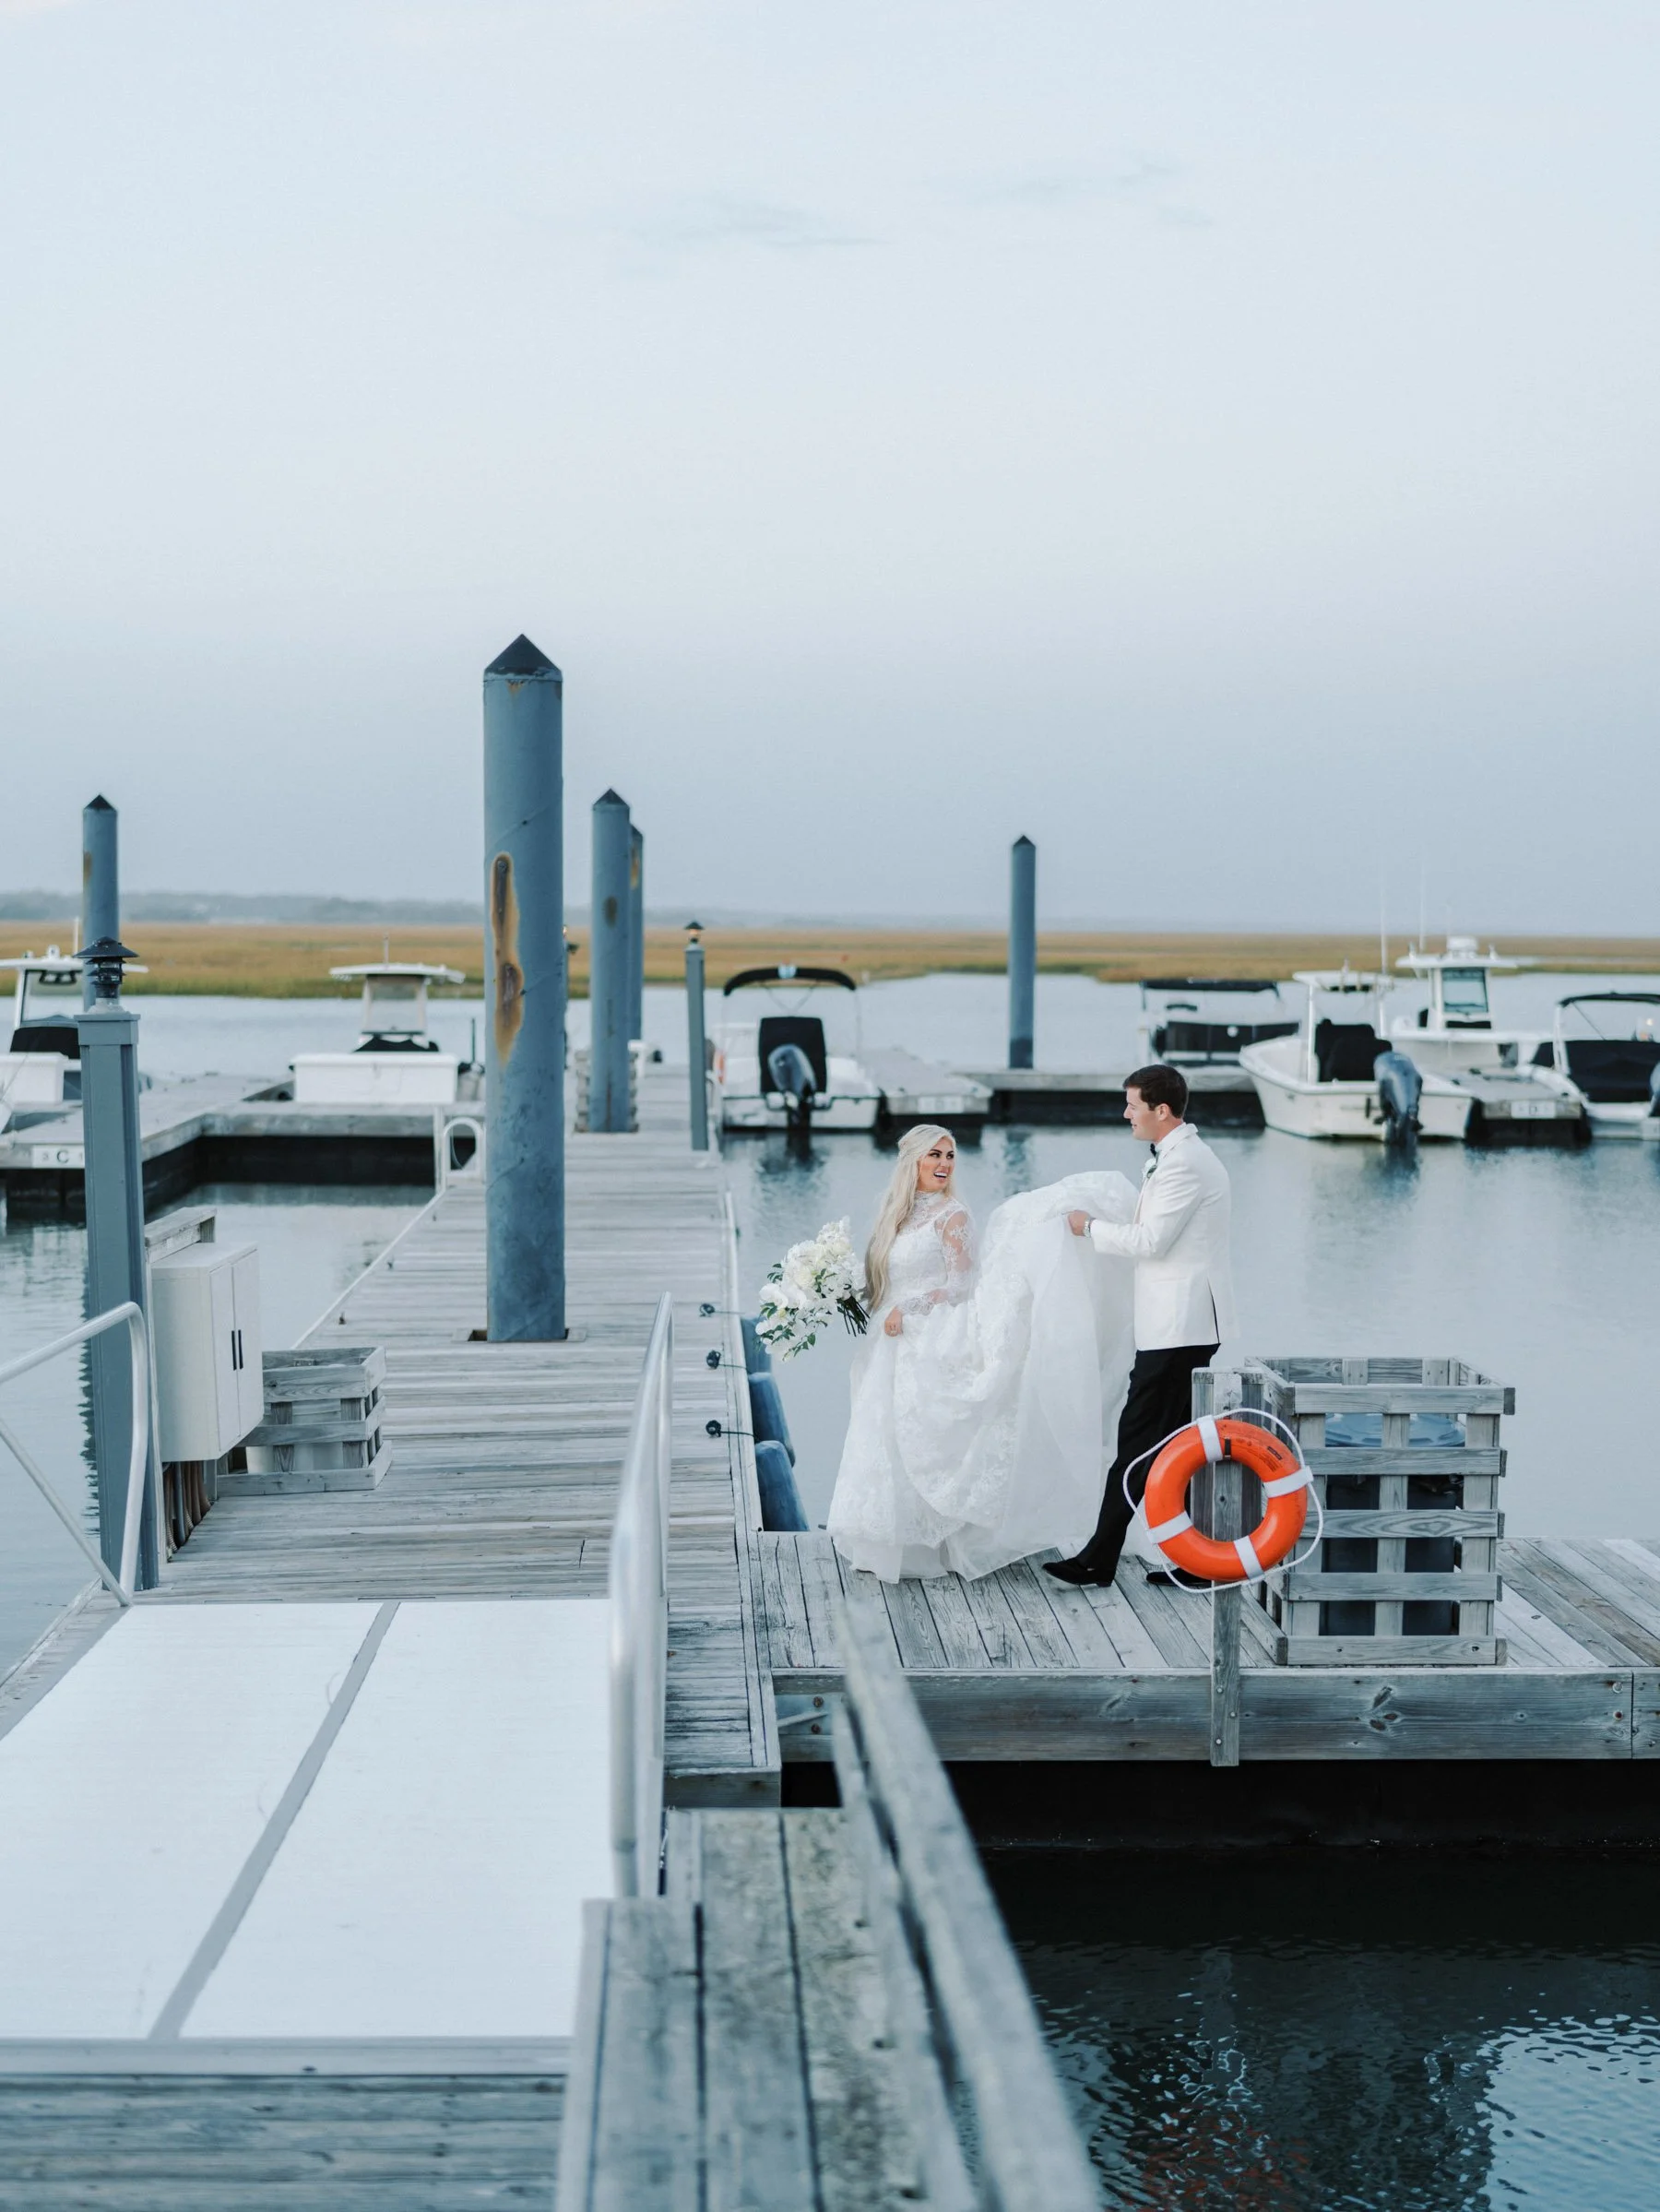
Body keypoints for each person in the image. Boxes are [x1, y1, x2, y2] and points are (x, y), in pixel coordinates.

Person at [826, 1124, 1137, 1583]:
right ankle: (886, 1542)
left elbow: (959, 1285)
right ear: (912, 1161)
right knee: (880, 1436)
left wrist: (910, 1307)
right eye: (934, 1155)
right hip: (888, 1336)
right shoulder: (898, 1214)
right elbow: (887, 1276)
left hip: (923, 1331)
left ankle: (931, 1547)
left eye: (949, 1157)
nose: (943, 1165)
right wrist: (835, 1291)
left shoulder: (952, 1216)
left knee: (916, 1438)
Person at [1044, 1063, 1236, 1590]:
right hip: (1178, 1326)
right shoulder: (1176, 1158)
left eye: (1133, 1105)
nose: (1126, 1114)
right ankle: (1195, 1560)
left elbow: (1151, 1242)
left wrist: (1089, 1228)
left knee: (1137, 1442)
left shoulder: (1185, 1166)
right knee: (1174, 1445)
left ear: (1162, 1111)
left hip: (1179, 1327)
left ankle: (1099, 1559)